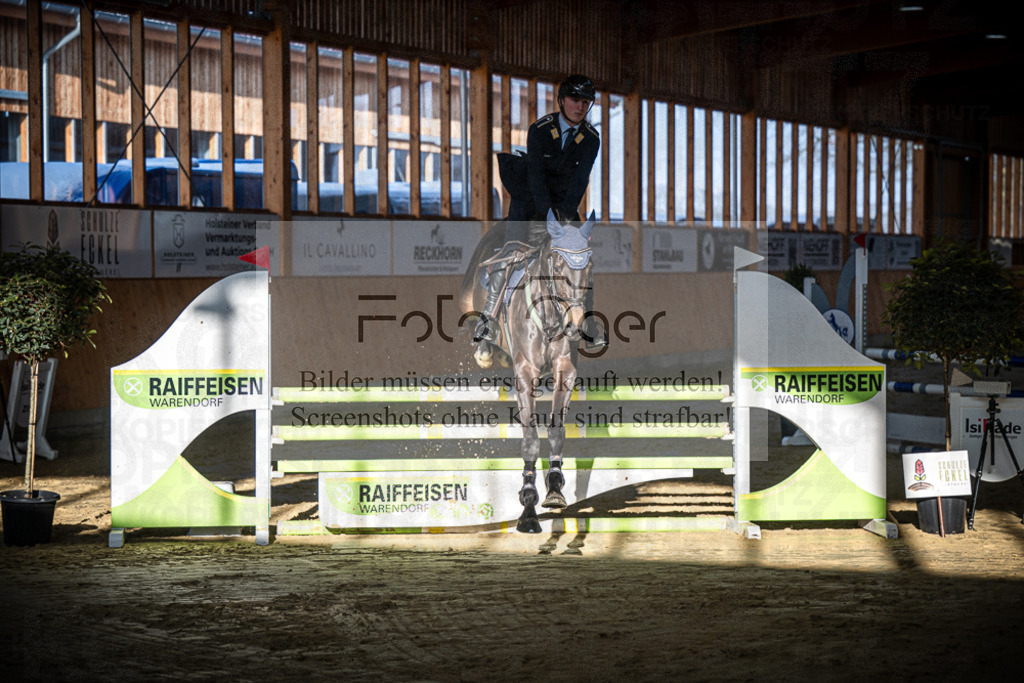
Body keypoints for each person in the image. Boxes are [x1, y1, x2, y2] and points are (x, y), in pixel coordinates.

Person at [475, 74, 607, 349]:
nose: (580, 107)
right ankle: (487, 320)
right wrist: (548, 217)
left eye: (586, 102)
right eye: (574, 100)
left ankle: (589, 323)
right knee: (510, 253)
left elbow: (580, 181)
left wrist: (562, 219)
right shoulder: (540, 129)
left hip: (565, 208)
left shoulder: (592, 138)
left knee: (579, 261)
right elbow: (535, 177)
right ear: (561, 100)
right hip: (529, 202)